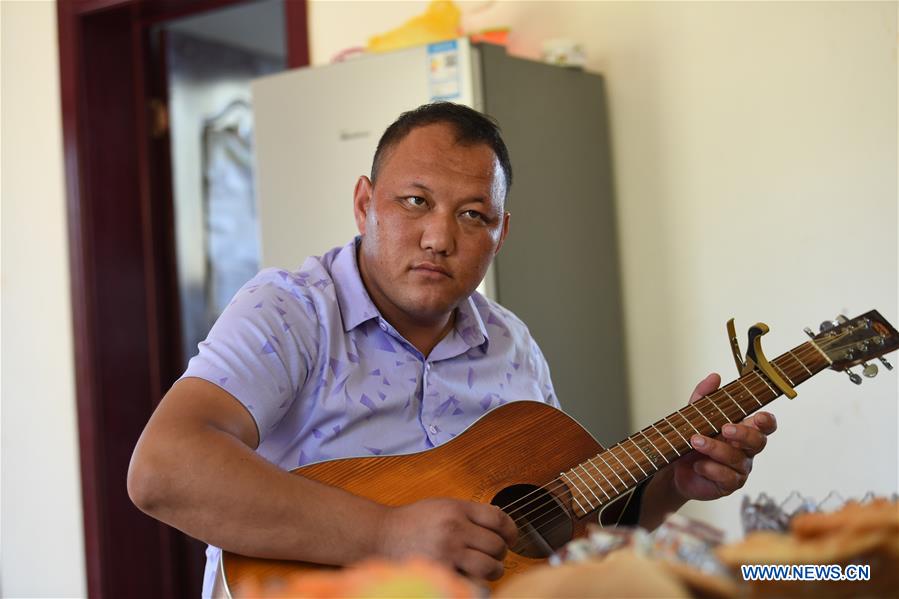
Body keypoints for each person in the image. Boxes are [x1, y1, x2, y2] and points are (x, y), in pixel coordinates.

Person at [128, 103, 777, 596]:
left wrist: (670, 485)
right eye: (415, 202)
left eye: (473, 215)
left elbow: (563, 530)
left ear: (500, 234)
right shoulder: (290, 310)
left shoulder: (511, 343)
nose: (439, 237)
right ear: (364, 204)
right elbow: (163, 470)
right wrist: (384, 533)